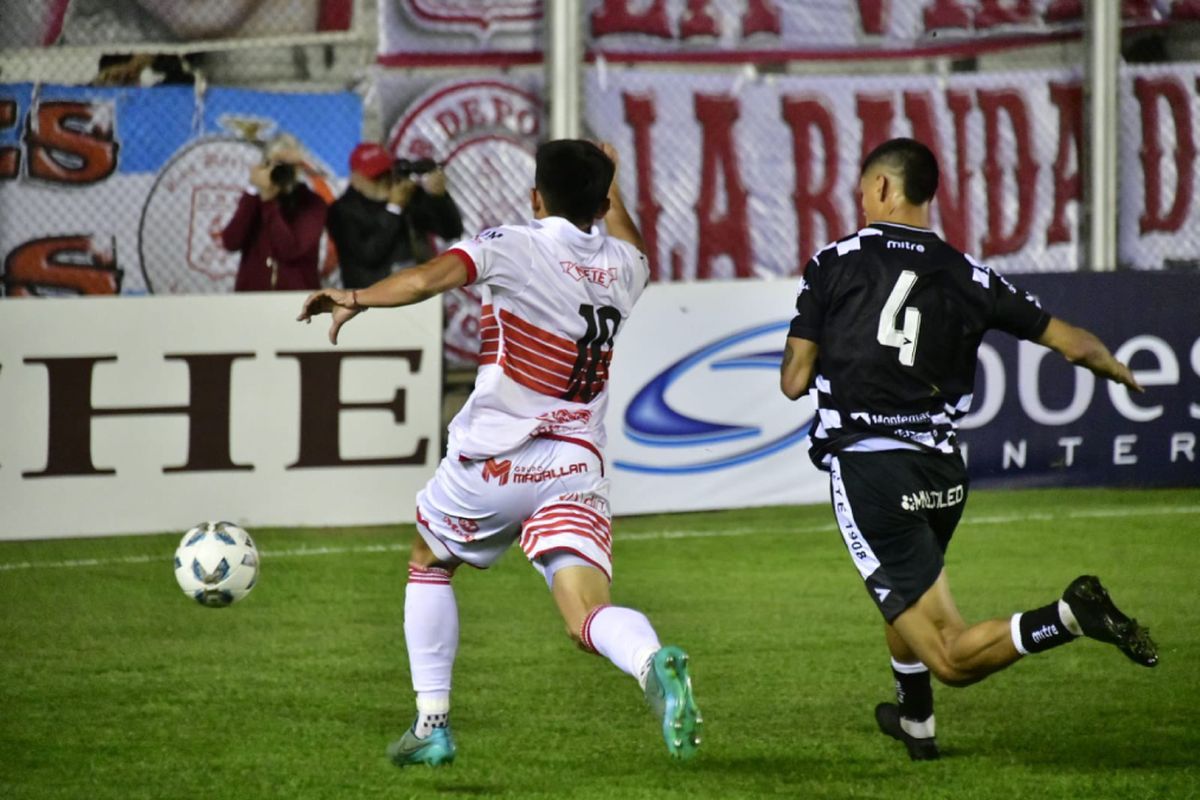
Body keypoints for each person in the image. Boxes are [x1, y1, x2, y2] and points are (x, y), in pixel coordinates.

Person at [297, 139, 702, 765]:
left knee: (429, 558)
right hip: (574, 464)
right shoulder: (627, 267)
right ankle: (651, 663)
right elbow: (634, 242)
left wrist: (355, 297)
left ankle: (431, 724)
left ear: (535, 197)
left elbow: (426, 279)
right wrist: (611, 183)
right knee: (585, 612)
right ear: (602, 201)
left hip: (494, 461)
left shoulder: (511, 244)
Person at [779, 137, 1158, 761]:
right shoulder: (968, 273)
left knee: (950, 654)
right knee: (908, 598)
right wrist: (1118, 369)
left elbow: (794, 381)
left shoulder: (835, 261)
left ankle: (1066, 616)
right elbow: (1074, 344)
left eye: (861, 190)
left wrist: (814, 354)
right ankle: (916, 725)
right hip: (943, 473)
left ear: (881, 189)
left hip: (874, 472)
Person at [326, 144, 463, 289]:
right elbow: (368, 255)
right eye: (376, 177)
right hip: (370, 298)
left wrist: (439, 197)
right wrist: (394, 208)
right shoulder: (342, 211)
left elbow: (451, 231)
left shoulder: (408, 196)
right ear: (356, 179)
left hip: (417, 292)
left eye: (386, 173)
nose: (384, 181)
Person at [221, 137, 328, 292]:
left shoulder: (312, 203)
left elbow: (290, 250)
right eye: (277, 164)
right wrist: (253, 190)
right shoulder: (254, 200)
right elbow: (231, 242)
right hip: (252, 296)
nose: (283, 170)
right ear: (265, 165)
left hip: (295, 296)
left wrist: (268, 202)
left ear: (300, 168)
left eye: (290, 166)